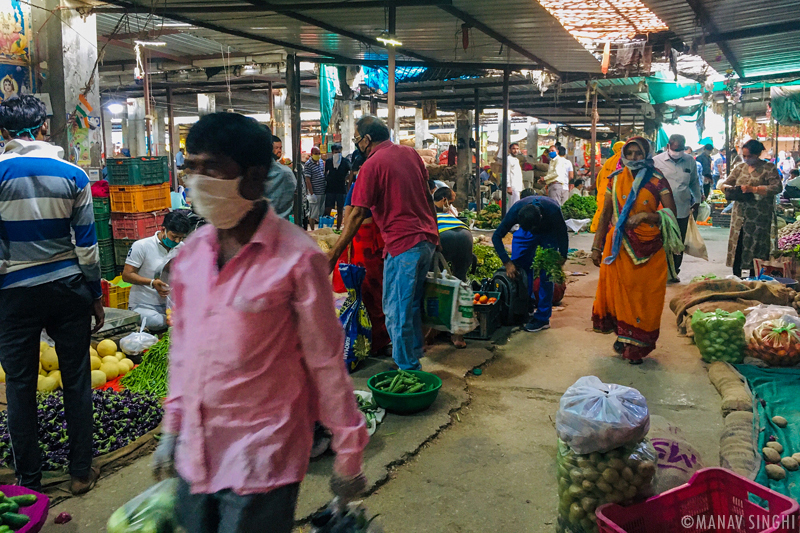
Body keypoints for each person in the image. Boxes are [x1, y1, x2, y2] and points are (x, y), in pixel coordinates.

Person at [152, 112, 368, 533]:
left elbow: (326, 364)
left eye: (210, 169)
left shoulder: (298, 259)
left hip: (262, 460)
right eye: (190, 166)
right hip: (195, 453)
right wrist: (172, 427)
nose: (194, 180)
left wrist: (349, 451)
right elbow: (183, 350)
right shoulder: (192, 255)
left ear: (253, 178)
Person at [0, 95, 104, 494]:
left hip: (14, 294)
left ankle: (29, 480)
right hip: (68, 290)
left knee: (19, 386)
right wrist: (94, 293)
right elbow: (87, 248)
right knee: (77, 379)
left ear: (5, 133)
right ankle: (80, 472)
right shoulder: (73, 175)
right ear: (44, 126)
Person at [327, 116, 439, 371]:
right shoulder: (410, 154)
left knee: (396, 310)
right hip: (426, 241)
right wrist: (436, 232)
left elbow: (355, 214)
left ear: (367, 139)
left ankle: (408, 370)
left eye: (357, 139)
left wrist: (333, 254)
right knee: (409, 306)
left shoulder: (372, 164)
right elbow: (427, 195)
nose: (357, 144)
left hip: (403, 245)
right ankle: (412, 358)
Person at [591, 137, 678, 365]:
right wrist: (596, 246)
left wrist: (647, 216)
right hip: (619, 246)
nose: (632, 158)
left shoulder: (658, 179)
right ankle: (625, 339)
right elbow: (605, 215)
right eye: (628, 153)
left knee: (646, 297)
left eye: (637, 153)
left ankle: (639, 344)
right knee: (621, 295)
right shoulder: (615, 179)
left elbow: (671, 213)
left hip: (650, 247)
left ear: (646, 154)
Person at [331, 152, 390, 355]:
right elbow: (351, 217)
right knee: (371, 293)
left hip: (368, 245)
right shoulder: (361, 186)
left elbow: (349, 218)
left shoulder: (364, 186)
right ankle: (372, 342)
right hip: (364, 245)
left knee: (370, 293)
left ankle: (371, 342)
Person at [491, 196, 569, 333]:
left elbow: (562, 233)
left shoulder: (553, 210)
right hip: (526, 230)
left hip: (548, 232)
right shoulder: (516, 211)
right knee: (519, 268)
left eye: (533, 229)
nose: (533, 232)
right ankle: (525, 306)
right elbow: (496, 236)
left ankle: (542, 318)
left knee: (546, 272)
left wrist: (562, 256)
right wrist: (507, 262)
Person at [720, 139, 782, 278]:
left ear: (758, 154)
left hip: (759, 216)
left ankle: (756, 275)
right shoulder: (739, 168)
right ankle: (738, 274)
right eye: (744, 156)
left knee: (757, 245)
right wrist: (731, 189)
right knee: (739, 243)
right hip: (740, 215)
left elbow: (777, 187)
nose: (747, 159)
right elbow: (725, 184)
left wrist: (754, 189)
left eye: (750, 156)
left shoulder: (768, 168)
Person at [122, 211, 192, 329]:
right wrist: (151, 283)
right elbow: (127, 275)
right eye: (174, 236)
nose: (176, 241)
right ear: (163, 229)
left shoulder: (182, 249)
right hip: (144, 305)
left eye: (180, 238)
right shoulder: (142, 246)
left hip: (170, 306)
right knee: (156, 321)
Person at [653, 134, 702, 280]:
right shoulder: (656, 161)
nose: (677, 152)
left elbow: (694, 182)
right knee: (660, 241)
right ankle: (660, 271)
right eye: (675, 149)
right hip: (661, 210)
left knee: (678, 242)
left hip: (682, 209)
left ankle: (674, 271)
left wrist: (698, 200)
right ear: (668, 146)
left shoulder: (689, 161)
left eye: (681, 149)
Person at [433, 187, 473, 348]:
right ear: (444, 200)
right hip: (465, 234)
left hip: (443, 235)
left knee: (432, 282)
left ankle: (429, 334)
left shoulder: (428, 211)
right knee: (460, 283)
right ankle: (458, 336)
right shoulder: (451, 214)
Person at [590, 141, 624, 233]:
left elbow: (600, 177)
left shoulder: (609, 161)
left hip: (605, 190)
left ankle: (597, 227)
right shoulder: (624, 160)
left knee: (603, 210)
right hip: (618, 190)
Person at [264, 135, 297, 220]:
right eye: (276, 148)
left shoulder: (284, 173)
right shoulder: (286, 172)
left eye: (280, 148)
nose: (279, 150)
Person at [325, 143, 351, 231]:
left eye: (339, 152)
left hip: (341, 189)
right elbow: (325, 173)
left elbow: (351, 171)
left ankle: (338, 228)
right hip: (330, 188)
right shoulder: (328, 162)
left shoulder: (345, 161)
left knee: (340, 209)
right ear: (332, 152)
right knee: (328, 208)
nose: (337, 154)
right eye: (336, 152)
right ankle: (328, 227)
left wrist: (347, 179)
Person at [304, 146, 326, 230]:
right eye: (316, 154)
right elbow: (308, 180)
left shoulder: (321, 162)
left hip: (322, 191)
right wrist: (311, 193)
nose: (318, 155)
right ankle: (312, 230)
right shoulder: (308, 164)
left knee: (320, 213)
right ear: (311, 154)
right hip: (314, 192)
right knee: (313, 214)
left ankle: (319, 229)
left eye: (319, 153)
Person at [506, 142, 524, 208]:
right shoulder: (508, 159)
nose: (515, 150)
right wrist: (508, 186)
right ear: (510, 150)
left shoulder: (516, 160)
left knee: (516, 205)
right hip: (512, 187)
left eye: (517, 149)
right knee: (513, 206)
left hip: (517, 187)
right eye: (513, 149)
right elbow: (507, 173)